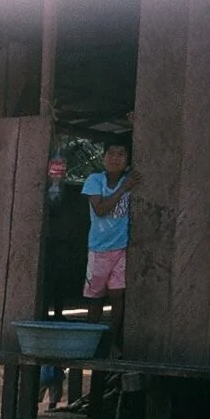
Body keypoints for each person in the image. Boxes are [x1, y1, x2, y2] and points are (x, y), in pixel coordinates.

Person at [82, 143, 136, 354]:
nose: (116, 158)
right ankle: (89, 345)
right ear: (103, 158)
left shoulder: (129, 179)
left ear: (128, 161)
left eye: (121, 153)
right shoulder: (95, 181)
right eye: (111, 153)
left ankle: (113, 344)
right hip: (98, 251)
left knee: (117, 298)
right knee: (95, 300)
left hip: (120, 249)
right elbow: (101, 209)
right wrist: (124, 188)